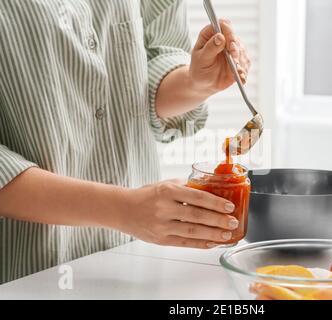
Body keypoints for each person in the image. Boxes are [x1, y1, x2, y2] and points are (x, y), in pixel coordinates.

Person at [0, 0, 250, 284]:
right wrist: (123, 208)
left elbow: (155, 62)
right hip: (30, 272)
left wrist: (196, 83)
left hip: (135, 264)